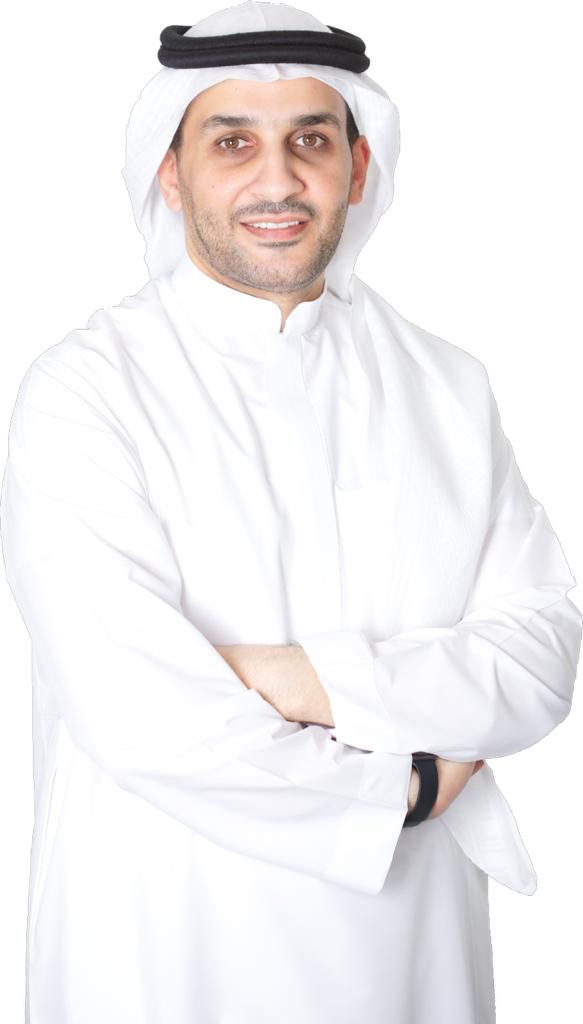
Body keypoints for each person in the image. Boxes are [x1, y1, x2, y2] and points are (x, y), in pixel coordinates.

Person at [0, 3, 580, 1022]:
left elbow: (539, 657)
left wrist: (291, 678)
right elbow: (140, 717)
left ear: (358, 168)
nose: (276, 180)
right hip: (165, 942)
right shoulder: (86, 389)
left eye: (310, 141)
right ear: (170, 173)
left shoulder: (447, 385)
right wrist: (406, 786)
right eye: (232, 144)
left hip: (415, 954)